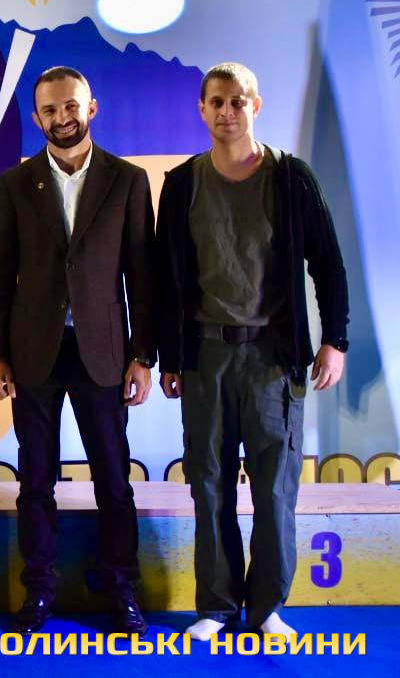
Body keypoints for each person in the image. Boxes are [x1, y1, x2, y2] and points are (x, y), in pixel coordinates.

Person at [156, 62, 348, 640]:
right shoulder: (182, 183)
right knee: (209, 483)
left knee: (274, 488)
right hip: (206, 356)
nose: (226, 111)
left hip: (273, 359)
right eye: (216, 102)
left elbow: (328, 264)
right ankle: (216, 605)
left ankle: (267, 607)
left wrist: (335, 340)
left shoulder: (291, 178)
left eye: (237, 101)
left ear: (256, 106)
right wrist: (171, 358)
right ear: (201, 109)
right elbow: (167, 279)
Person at [0, 66, 155, 635]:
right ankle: (39, 591)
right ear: (37, 118)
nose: (63, 118)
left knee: (113, 479)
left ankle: (122, 590)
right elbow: (0, 275)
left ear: (91, 108)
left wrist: (143, 355)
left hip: (103, 352)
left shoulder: (128, 181)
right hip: (33, 352)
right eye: (51, 110)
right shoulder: (15, 183)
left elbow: (142, 276)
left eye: (71, 106)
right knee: (36, 479)